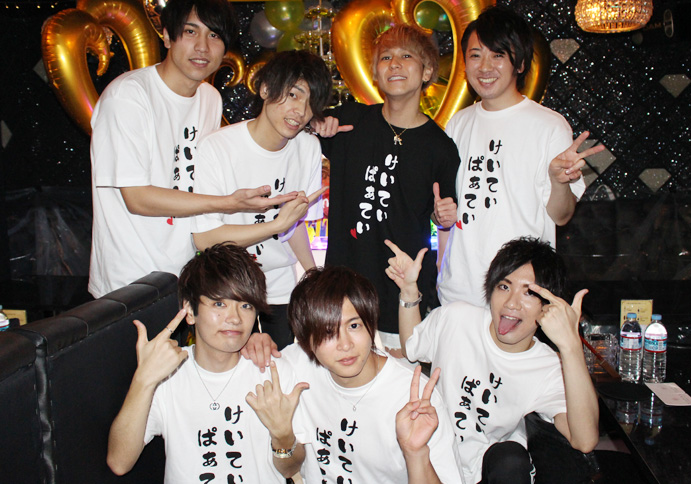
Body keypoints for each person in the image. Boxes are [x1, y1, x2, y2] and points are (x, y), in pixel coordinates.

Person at [89, 0, 296, 298]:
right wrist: (226, 202)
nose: (202, 46)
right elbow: (137, 198)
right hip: (128, 280)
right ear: (167, 36)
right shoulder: (128, 96)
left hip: (188, 276)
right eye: (190, 31)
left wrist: (308, 123)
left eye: (214, 35)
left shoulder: (209, 98)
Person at [386, 236, 599, 484]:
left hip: (488, 471)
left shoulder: (546, 366)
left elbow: (584, 440)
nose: (511, 303)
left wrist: (571, 347)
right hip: (432, 461)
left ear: (548, 305)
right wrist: (408, 290)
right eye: (504, 287)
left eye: (529, 292)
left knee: (510, 459)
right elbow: (412, 346)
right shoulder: (457, 319)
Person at [437, 5, 604, 307]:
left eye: (498, 55)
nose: (484, 67)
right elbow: (448, 209)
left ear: (521, 63)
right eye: (475, 55)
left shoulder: (549, 125)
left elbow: (562, 215)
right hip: (458, 294)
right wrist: (440, 215)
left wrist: (559, 181)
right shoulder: (458, 123)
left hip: (519, 298)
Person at [106, 243, 308, 482]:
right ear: (190, 311)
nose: (234, 318)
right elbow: (119, 463)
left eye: (246, 305)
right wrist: (144, 380)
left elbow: (290, 470)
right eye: (219, 304)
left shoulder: (273, 372)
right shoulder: (166, 373)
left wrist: (283, 436)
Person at [314, 24, 461, 352]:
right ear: (375, 73)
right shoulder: (350, 120)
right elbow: (297, 126)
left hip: (402, 296)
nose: (394, 64)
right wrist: (317, 123)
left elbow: (443, 216)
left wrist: (444, 217)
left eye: (406, 56)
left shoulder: (440, 148)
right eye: (385, 57)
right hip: (344, 295)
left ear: (427, 72)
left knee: (404, 379)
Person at [192, 49, 331, 349]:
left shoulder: (308, 147)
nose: (300, 111)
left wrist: (312, 275)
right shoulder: (217, 148)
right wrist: (274, 225)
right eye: (293, 95)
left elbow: (293, 226)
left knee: (281, 368)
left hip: (279, 287)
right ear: (265, 89)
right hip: (227, 288)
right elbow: (204, 239)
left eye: (310, 103)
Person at [276, 265, 465, 483]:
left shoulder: (415, 399)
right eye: (328, 332)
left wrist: (416, 453)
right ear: (305, 340)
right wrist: (253, 342)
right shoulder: (298, 365)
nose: (345, 344)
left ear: (371, 322)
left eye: (354, 325)